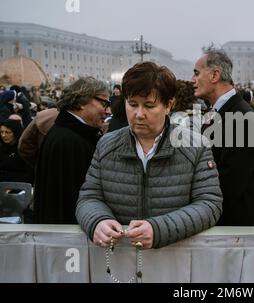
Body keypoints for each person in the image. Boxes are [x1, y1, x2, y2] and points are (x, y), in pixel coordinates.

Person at [76, 62, 222, 249]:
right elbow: (89, 197)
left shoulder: (195, 146)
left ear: (169, 105)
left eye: (149, 106)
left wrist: (159, 229)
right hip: (120, 258)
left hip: (173, 258)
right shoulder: (107, 145)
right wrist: (97, 220)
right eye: (132, 104)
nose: (139, 114)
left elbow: (210, 204)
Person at [192, 46, 254, 226]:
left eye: (196, 73)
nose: (193, 80)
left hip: (238, 225)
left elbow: (230, 182)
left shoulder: (240, 117)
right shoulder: (223, 111)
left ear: (214, 75)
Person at [33, 77, 111, 224]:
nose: (108, 111)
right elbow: (70, 198)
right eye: (103, 103)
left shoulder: (70, 134)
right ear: (81, 102)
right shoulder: (68, 140)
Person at [0, 119, 33, 184]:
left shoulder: (24, 149)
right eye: (1, 132)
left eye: (8, 132)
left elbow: (30, 174)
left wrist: (11, 186)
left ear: (15, 132)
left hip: (18, 186)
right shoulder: (1, 148)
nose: (3, 135)